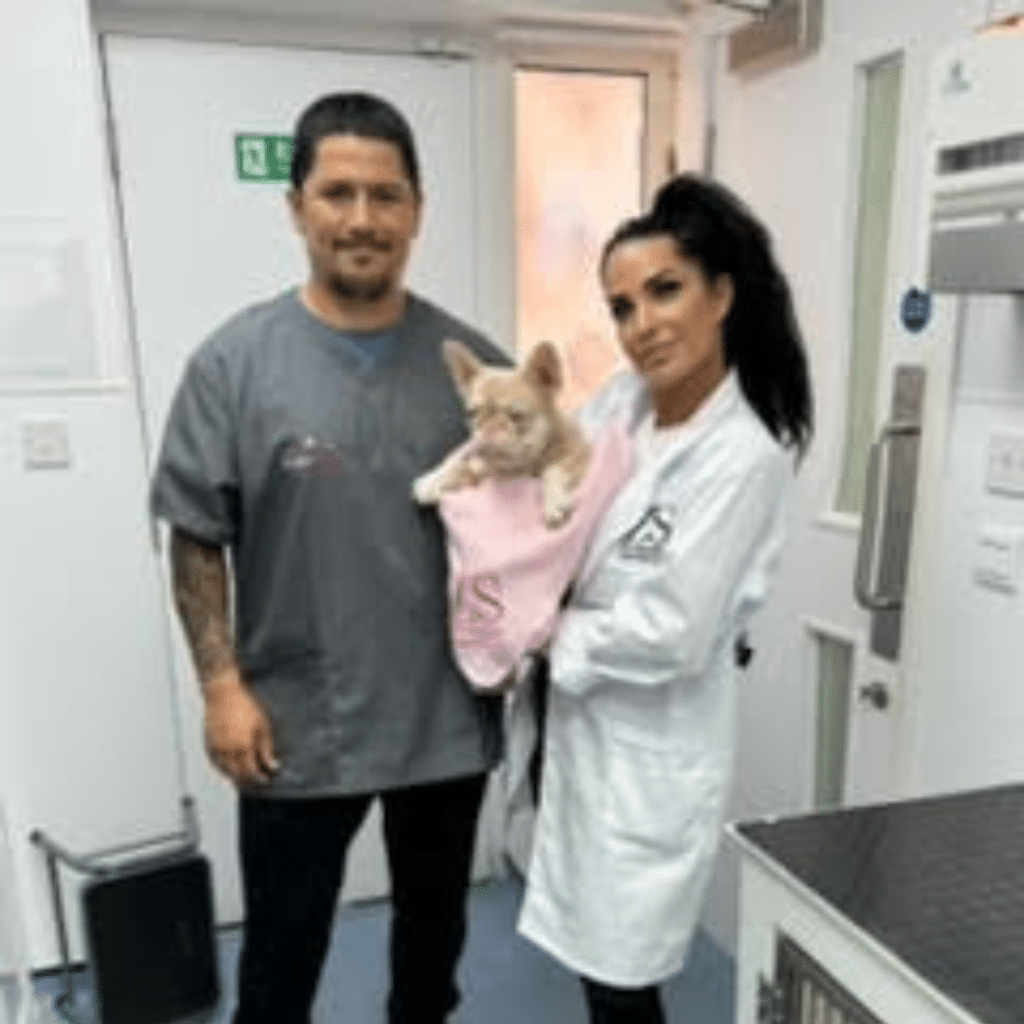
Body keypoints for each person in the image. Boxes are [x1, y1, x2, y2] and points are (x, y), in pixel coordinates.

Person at [151, 92, 509, 1024]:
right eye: (337, 193)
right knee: (281, 960)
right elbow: (196, 533)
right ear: (296, 207)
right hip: (297, 721)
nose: (361, 219)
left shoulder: (472, 367)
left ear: (417, 209)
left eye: (386, 195)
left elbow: (524, 529)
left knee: (431, 955)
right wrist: (221, 688)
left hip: (443, 714)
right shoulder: (235, 364)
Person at [517, 173, 813, 1024]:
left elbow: (673, 631)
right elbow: (554, 493)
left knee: (622, 983)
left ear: (721, 295)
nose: (641, 324)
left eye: (665, 290)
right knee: (596, 966)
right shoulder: (621, 404)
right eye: (622, 307)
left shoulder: (743, 455)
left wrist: (543, 628)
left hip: (645, 751)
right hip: (575, 726)